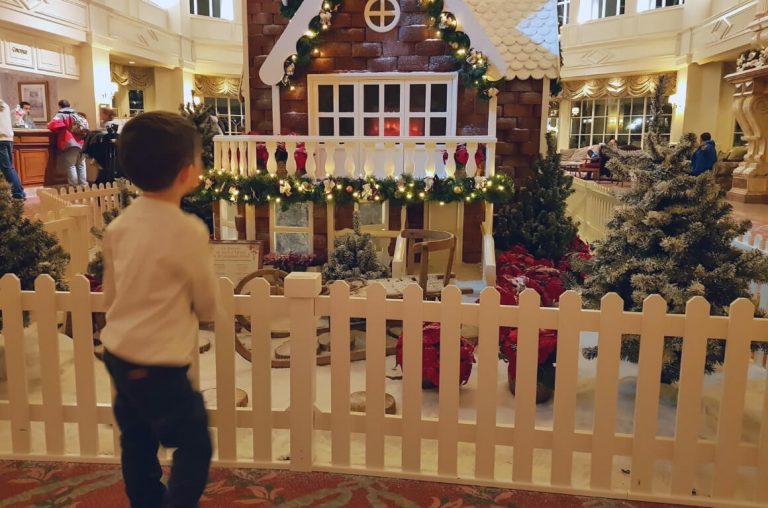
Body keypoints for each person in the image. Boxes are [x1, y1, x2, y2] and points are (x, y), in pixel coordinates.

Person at [100, 111, 217, 508]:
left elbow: (110, 296)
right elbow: (205, 300)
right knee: (195, 442)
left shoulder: (119, 227)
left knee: (137, 438)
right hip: (159, 362)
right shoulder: (188, 231)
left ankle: (146, 501)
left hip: (118, 353)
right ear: (187, 171)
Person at [47, 99, 89, 187]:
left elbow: (52, 125)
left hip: (69, 142)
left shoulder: (61, 115)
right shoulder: (77, 115)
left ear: (60, 106)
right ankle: (84, 185)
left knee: (71, 165)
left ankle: (74, 186)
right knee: (81, 164)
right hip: (81, 142)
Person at [0, 99, 26, 200]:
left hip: (0, 139)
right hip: (8, 139)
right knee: (9, 168)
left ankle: (17, 193)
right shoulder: (4, 105)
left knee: (7, 168)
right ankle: (20, 191)